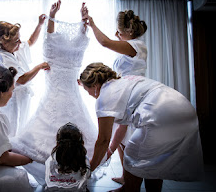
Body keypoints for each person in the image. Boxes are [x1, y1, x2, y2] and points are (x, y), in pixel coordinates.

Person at [10, 0, 98, 185]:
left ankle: (60, 169)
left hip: (60, 90)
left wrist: (53, 16)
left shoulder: (51, 43)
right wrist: (82, 21)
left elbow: (49, 36)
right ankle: (66, 168)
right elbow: (68, 36)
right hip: (66, 91)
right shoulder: (74, 43)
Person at [78, 62, 203, 192]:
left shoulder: (104, 96)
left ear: (94, 86)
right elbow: (122, 127)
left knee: (132, 157)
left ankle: (129, 190)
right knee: (153, 160)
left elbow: (103, 139)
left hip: (161, 114)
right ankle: (128, 188)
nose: (90, 95)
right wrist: (110, 151)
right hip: (185, 109)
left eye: (88, 91)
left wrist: (89, 169)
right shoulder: (124, 81)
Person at [82, 6, 148, 185]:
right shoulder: (133, 46)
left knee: (126, 138)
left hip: (132, 93)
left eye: (119, 31)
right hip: (126, 89)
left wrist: (93, 24)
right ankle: (126, 179)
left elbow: (104, 42)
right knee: (122, 139)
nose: (116, 34)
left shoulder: (136, 46)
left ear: (129, 30)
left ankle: (130, 181)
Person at [0, 15, 50, 137]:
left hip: (23, 96)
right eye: (16, 41)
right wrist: (39, 67)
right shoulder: (2, 58)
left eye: (19, 39)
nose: (20, 43)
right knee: (13, 128)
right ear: (4, 43)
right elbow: (22, 79)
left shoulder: (14, 48)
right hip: (13, 98)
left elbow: (30, 42)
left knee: (22, 124)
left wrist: (39, 25)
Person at [45, 123, 91, 191]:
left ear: (58, 143)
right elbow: (87, 176)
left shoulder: (51, 159)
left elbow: (48, 179)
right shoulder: (84, 160)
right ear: (81, 143)